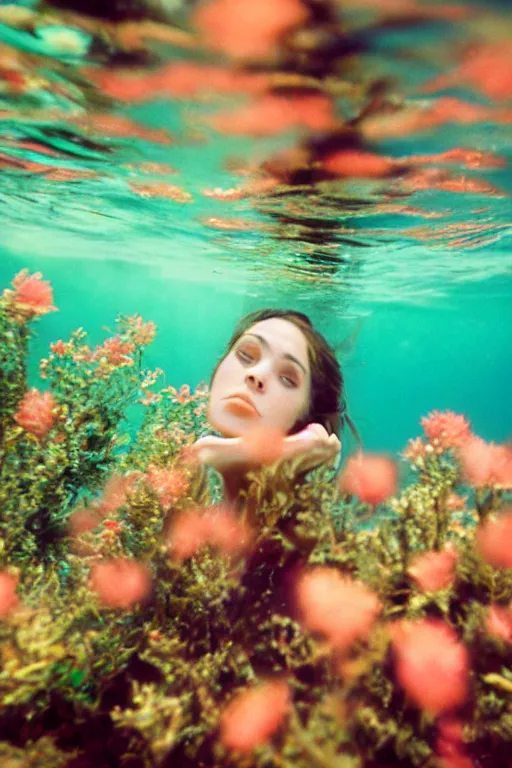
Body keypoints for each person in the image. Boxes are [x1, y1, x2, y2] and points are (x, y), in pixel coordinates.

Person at [191, 308, 357, 504]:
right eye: (245, 355)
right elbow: (202, 453)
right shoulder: (165, 443)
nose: (257, 375)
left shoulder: (304, 523)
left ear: (304, 419)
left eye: (287, 378)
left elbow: (203, 453)